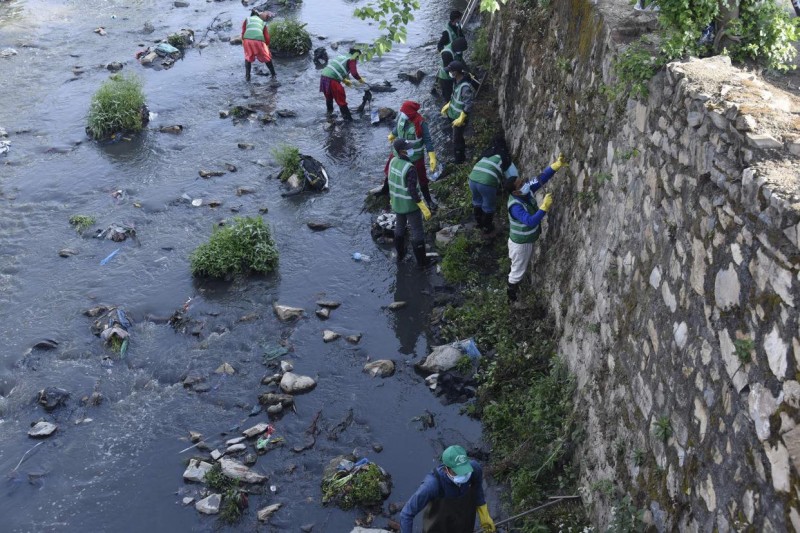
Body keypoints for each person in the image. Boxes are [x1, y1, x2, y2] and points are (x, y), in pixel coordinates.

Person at [506, 154, 567, 305]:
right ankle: (512, 298)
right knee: (516, 273)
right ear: (515, 192)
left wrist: (556, 165)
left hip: (523, 241)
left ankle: (516, 287)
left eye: (522, 181)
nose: (524, 184)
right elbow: (530, 221)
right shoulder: (515, 207)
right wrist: (544, 207)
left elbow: (541, 178)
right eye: (521, 184)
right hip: (521, 244)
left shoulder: (525, 191)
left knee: (518, 267)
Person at [399, 445, 496, 533]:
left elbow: (478, 488)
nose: (463, 475)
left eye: (464, 469)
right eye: (457, 472)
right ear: (446, 469)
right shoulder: (432, 485)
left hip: (464, 526)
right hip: (438, 528)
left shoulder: (474, 469)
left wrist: (484, 515)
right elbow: (406, 514)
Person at [389, 139, 432, 267]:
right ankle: (422, 263)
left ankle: (400, 256)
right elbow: (413, 190)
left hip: (397, 203)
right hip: (410, 205)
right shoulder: (409, 168)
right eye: (407, 148)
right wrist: (423, 206)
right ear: (401, 151)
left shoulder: (392, 161)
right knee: (417, 231)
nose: (410, 150)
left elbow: (389, 181)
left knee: (400, 228)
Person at [387, 100, 438, 209]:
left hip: (415, 156)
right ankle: (389, 194)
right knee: (390, 172)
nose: (402, 113)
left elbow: (428, 140)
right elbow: (397, 128)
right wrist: (392, 134)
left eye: (405, 112)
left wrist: (432, 156)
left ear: (410, 113)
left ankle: (428, 201)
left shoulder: (420, 123)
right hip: (399, 154)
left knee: (422, 179)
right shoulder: (402, 117)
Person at [468, 135, 514, 236]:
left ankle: (479, 223)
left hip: (472, 178)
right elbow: (509, 175)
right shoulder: (503, 155)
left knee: (477, 201)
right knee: (488, 206)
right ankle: (487, 228)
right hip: (486, 182)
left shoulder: (486, 153)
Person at [440, 61, 473, 164]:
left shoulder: (465, 87)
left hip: (460, 118)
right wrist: (449, 104)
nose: (449, 73)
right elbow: (456, 98)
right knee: (458, 137)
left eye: (450, 71)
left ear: (455, 72)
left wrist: (463, 116)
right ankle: (461, 155)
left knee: (456, 140)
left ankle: (459, 161)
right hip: (454, 116)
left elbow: (469, 103)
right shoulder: (456, 82)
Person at [319, 48, 366, 121]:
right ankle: (348, 120)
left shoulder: (343, 56)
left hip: (323, 77)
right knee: (341, 101)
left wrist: (345, 81)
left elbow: (337, 69)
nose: (357, 59)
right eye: (358, 57)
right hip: (332, 80)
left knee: (329, 98)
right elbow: (354, 73)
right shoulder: (352, 59)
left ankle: (329, 115)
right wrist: (360, 80)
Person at [241, 10, 276, 81]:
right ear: (258, 16)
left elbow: (243, 32)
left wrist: (243, 42)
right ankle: (273, 74)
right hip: (259, 41)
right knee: (267, 57)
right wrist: (267, 45)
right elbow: (267, 37)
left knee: (248, 57)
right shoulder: (263, 23)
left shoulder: (247, 19)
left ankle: (247, 76)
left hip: (247, 40)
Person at [437, 37, 468, 102]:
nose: (461, 52)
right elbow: (449, 70)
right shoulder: (446, 54)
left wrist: (467, 70)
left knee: (453, 90)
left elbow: (460, 59)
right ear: (457, 48)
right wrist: (458, 79)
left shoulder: (457, 47)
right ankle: (446, 105)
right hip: (445, 76)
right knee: (447, 94)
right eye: (461, 50)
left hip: (453, 70)